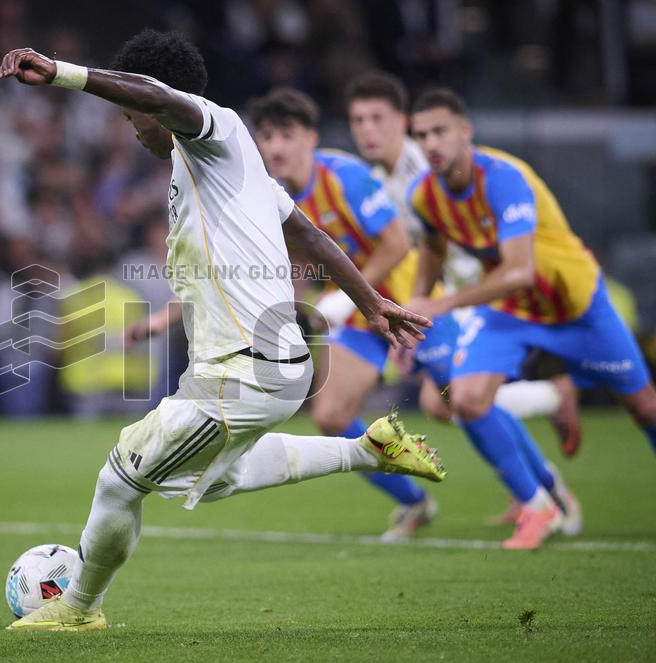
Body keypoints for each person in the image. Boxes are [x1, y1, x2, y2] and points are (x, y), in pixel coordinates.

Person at [0, 29, 442, 632]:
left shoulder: (215, 127)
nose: (134, 128)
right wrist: (372, 303)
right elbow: (307, 235)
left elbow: (159, 99)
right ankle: (367, 448)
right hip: (246, 367)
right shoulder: (224, 167)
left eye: (134, 116)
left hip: (246, 370)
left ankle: (78, 608)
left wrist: (62, 74)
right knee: (212, 480)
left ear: (156, 100)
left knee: (119, 479)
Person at [406, 87, 656, 549]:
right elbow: (433, 249)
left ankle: (555, 399)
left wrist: (441, 304)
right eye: (420, 135)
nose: (431, 143)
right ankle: (539, 506)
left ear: (466, 131)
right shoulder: (423, 195)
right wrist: (415, 310)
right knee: (463, 400)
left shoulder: (504, 177)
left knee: (644, 408)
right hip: (509, 313)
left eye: (440, 131)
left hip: (575, 306)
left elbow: (520, 271)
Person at [344, 72, 583, 534]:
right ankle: (536, 484)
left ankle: (549, 482)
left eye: (377, 118)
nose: (366, 130)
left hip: (474, 295)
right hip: (442, 303)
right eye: (357, 121)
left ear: (402, 121)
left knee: (462, 399)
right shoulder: (381, 178)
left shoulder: (424, 168)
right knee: (449, 404)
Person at [247, 86, 436, 542]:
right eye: (266, 136)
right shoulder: (270, 196)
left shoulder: (345, 176)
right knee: (330, 417)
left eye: (286, 135)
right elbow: (302, 265)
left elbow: (397, 244)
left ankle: (544, 489)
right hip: (359, 316)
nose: (274, 147)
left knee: (455, 404)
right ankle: (415, 502)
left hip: (414, 305)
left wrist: (344, 299)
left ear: (310, 138)